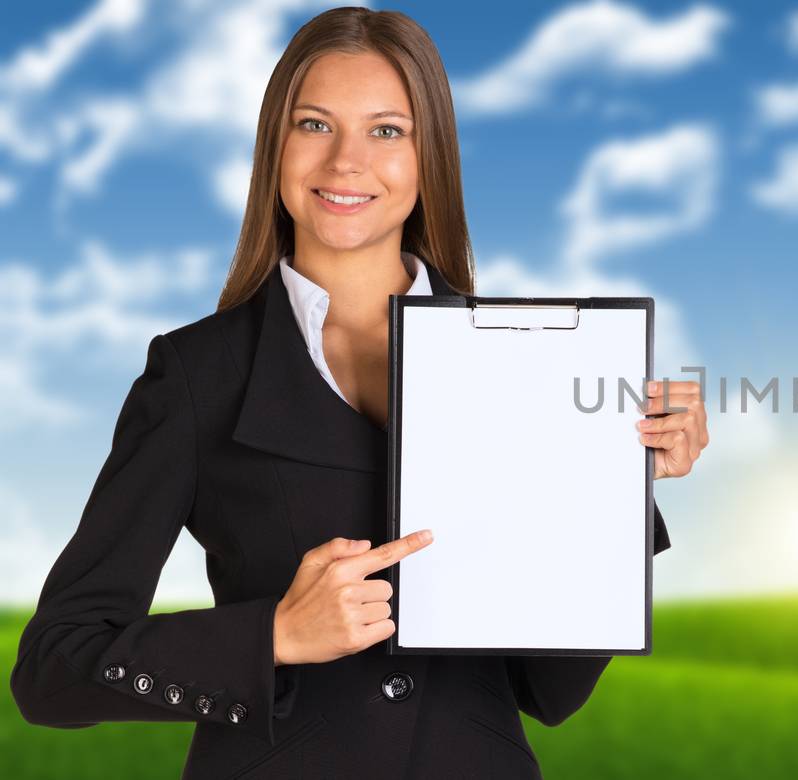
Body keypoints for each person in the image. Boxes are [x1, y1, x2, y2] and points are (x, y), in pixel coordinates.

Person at [8, 8, 708, 778]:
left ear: (429, 157)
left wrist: (615, 480)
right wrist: (273, 635)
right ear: (275, 145)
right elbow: (52, 671)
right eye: (315, 124)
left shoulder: (533, 369)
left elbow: (547, 689)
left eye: (386, 131)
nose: (347, 161)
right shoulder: (197, 375)